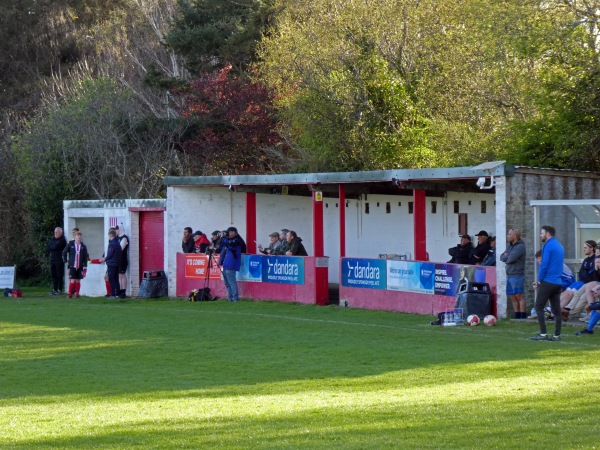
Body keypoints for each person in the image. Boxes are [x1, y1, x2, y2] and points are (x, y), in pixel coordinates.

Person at [530, 225, 565, 341]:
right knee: (556, 310)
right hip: (558, 282)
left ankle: (543, 334)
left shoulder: (548, 245)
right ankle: (556, 335)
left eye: (542, 233)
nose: (541, 235)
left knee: (538, 307)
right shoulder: (559, 245)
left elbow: (544, 264)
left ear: (547, 233)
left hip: (548, 281)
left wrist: (539, 280)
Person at [500, 229, 526, 319]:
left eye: (509, 234)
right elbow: (501, 257)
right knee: (512, 297)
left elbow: (510, 259)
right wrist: (507, 256)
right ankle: (517, 316)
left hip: (517, 274)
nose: (507, 236)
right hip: (509, 275)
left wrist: (507, 256)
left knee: (519, 296)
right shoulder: (509, 246)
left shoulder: (520, 247)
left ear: (515, 236)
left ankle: (523, 317)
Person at [63, 231, 89, 299]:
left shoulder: (83, 246)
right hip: (72, 266)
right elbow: (64, 252)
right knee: (72, 280)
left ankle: (77, 293)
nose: (79, 237)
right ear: (75, 237)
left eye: (80, 236)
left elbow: (85, 257)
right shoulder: (70, 244)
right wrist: (66, 261)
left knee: (78, 280)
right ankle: (70, 294)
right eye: (78, 236)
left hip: (80, 266)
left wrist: (85, 267)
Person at [221, 226, 244, 301]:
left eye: (229, 232)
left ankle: (235, 298)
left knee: (231, 282)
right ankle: (230, 298)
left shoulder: (237, 241)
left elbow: (230, 246)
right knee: (227, 283)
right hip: (226, 263)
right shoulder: (228, 240)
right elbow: (222, 246)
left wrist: (223, 238)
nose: (228, 234)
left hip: (231, 264)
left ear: (234, 232)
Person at [102, 229, 122, 298]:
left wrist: (105, 259)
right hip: (117, 264)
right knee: (116, 279)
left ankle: (113, 294)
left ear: (110, 236)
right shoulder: (118, 243)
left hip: (111, 264)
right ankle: (117, 294)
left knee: (112, 279)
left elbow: (110, 254)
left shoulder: (111, 244)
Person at [47, 227, 67, 295]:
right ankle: (54, 289)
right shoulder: (53, 239)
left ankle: (59, 289)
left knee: (59, 275)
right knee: (54, 275)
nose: (55, 233)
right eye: (55, 232)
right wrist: (52, 247)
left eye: (57, 232)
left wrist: (53, 247)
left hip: (59, 260)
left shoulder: (62, 240)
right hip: (52, 259)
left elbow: (55, 247)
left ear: (61, 233)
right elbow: (48, 247)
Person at [115, 225, 129, 298]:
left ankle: (124, 291)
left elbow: (120, 248)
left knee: (122, 274)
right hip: (117, 259)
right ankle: (120, 290)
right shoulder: (117, 238)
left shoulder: (124, 238)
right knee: (119, 275)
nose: (116, 231)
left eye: (117, 229)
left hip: (122, 259)